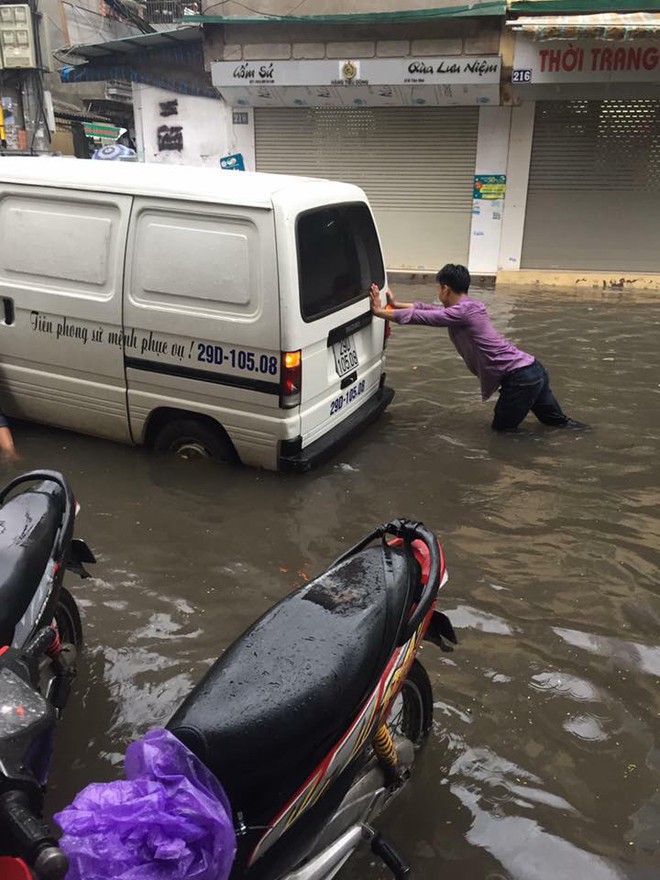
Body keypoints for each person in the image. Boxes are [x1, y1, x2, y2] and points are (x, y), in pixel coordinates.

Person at [370, 264, 586, 433]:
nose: (438, 293)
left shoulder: (462, 312)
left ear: (445, 288)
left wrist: (380, 313)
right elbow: (428, 309)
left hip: (520, 379)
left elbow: (424, 317)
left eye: (438, 288)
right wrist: (396, 304)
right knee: (558, 424)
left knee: (503, 433)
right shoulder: (466, 307)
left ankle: (531, 463)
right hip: (533, 370)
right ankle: (586, 438)